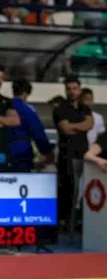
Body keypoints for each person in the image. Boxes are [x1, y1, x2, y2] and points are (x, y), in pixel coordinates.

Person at [54, 75, 93, 234]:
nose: (72, 92)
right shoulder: (60, 109)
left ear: (79, 89)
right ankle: (65, 226)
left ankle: (77, 224)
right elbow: (65, 129)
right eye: (69, 89)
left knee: (83, 192)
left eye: (75, 88)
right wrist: (81, 126)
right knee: (68, 192)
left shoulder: (85, 108)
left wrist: (74, 126)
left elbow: (90, 124)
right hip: (67, 156)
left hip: (83, 155)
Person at [9, 79, 53, 173]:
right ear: (25, 93)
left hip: (4, 152)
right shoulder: (27, 110)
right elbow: (38, 132)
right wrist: (47, 151)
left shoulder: (4, 106)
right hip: (22, 152)